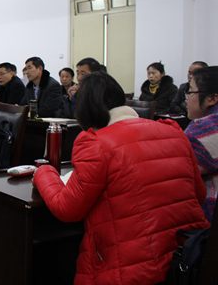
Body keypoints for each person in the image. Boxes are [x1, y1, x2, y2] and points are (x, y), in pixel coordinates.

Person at [33, 71, 209, 285]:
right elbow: (199, 194)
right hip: (186, 258)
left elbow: (67, 208)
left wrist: (44, 172)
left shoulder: (96, 143)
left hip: (127, 266)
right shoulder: (174, 132)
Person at [184, 66, 218, 221]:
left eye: (191, 91)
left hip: (205, 221)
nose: (186, 98)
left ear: (212, 99)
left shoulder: (204, 130)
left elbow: (179, 171)